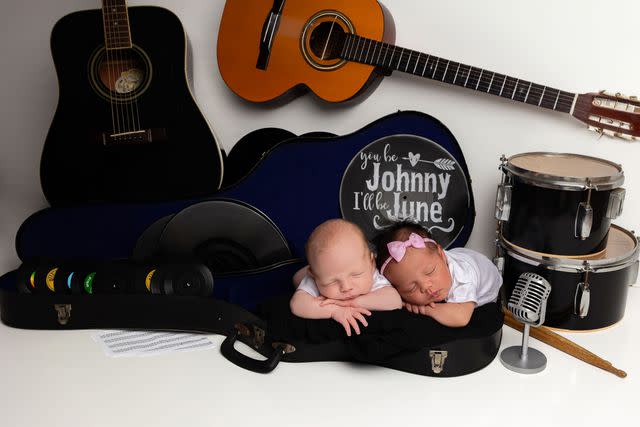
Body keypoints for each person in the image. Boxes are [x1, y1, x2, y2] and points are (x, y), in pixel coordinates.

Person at [374, 221, 502, 327]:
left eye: (430, 272)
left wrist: (426, 310)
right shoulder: (428, 262)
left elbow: (461, 317)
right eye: (411, 288)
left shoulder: (463, 277)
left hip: (487, 282)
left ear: (442, 255)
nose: (425, 287)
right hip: (459, 254)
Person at [291, 219, 402, 336]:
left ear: (371, 262)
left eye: (355, 275)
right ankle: (303, 273)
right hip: (311, 272)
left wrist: (353, 302)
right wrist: (334, 311)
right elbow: (297, 304)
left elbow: (394, 301)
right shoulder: (318, 276)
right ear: (314, 276)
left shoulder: (370, 272)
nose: (346, 287)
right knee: (297, 279)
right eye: (332, 282)